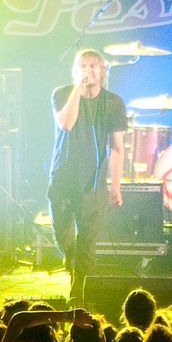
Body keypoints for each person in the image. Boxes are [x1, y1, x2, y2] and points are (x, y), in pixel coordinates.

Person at [47, 47, 126, 293]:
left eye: (93, 66)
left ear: (102, 72)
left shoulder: (113, 102)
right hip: (63, 178)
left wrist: (115, 186)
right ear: (75, 71)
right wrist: (77, 91)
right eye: (83, 66)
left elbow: (117, 147)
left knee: (87, 245)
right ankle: (71, 260)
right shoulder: (61, 95)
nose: (88, 70)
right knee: (63, 237)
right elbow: (66, 124)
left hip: (93, 183)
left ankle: (80, 298)